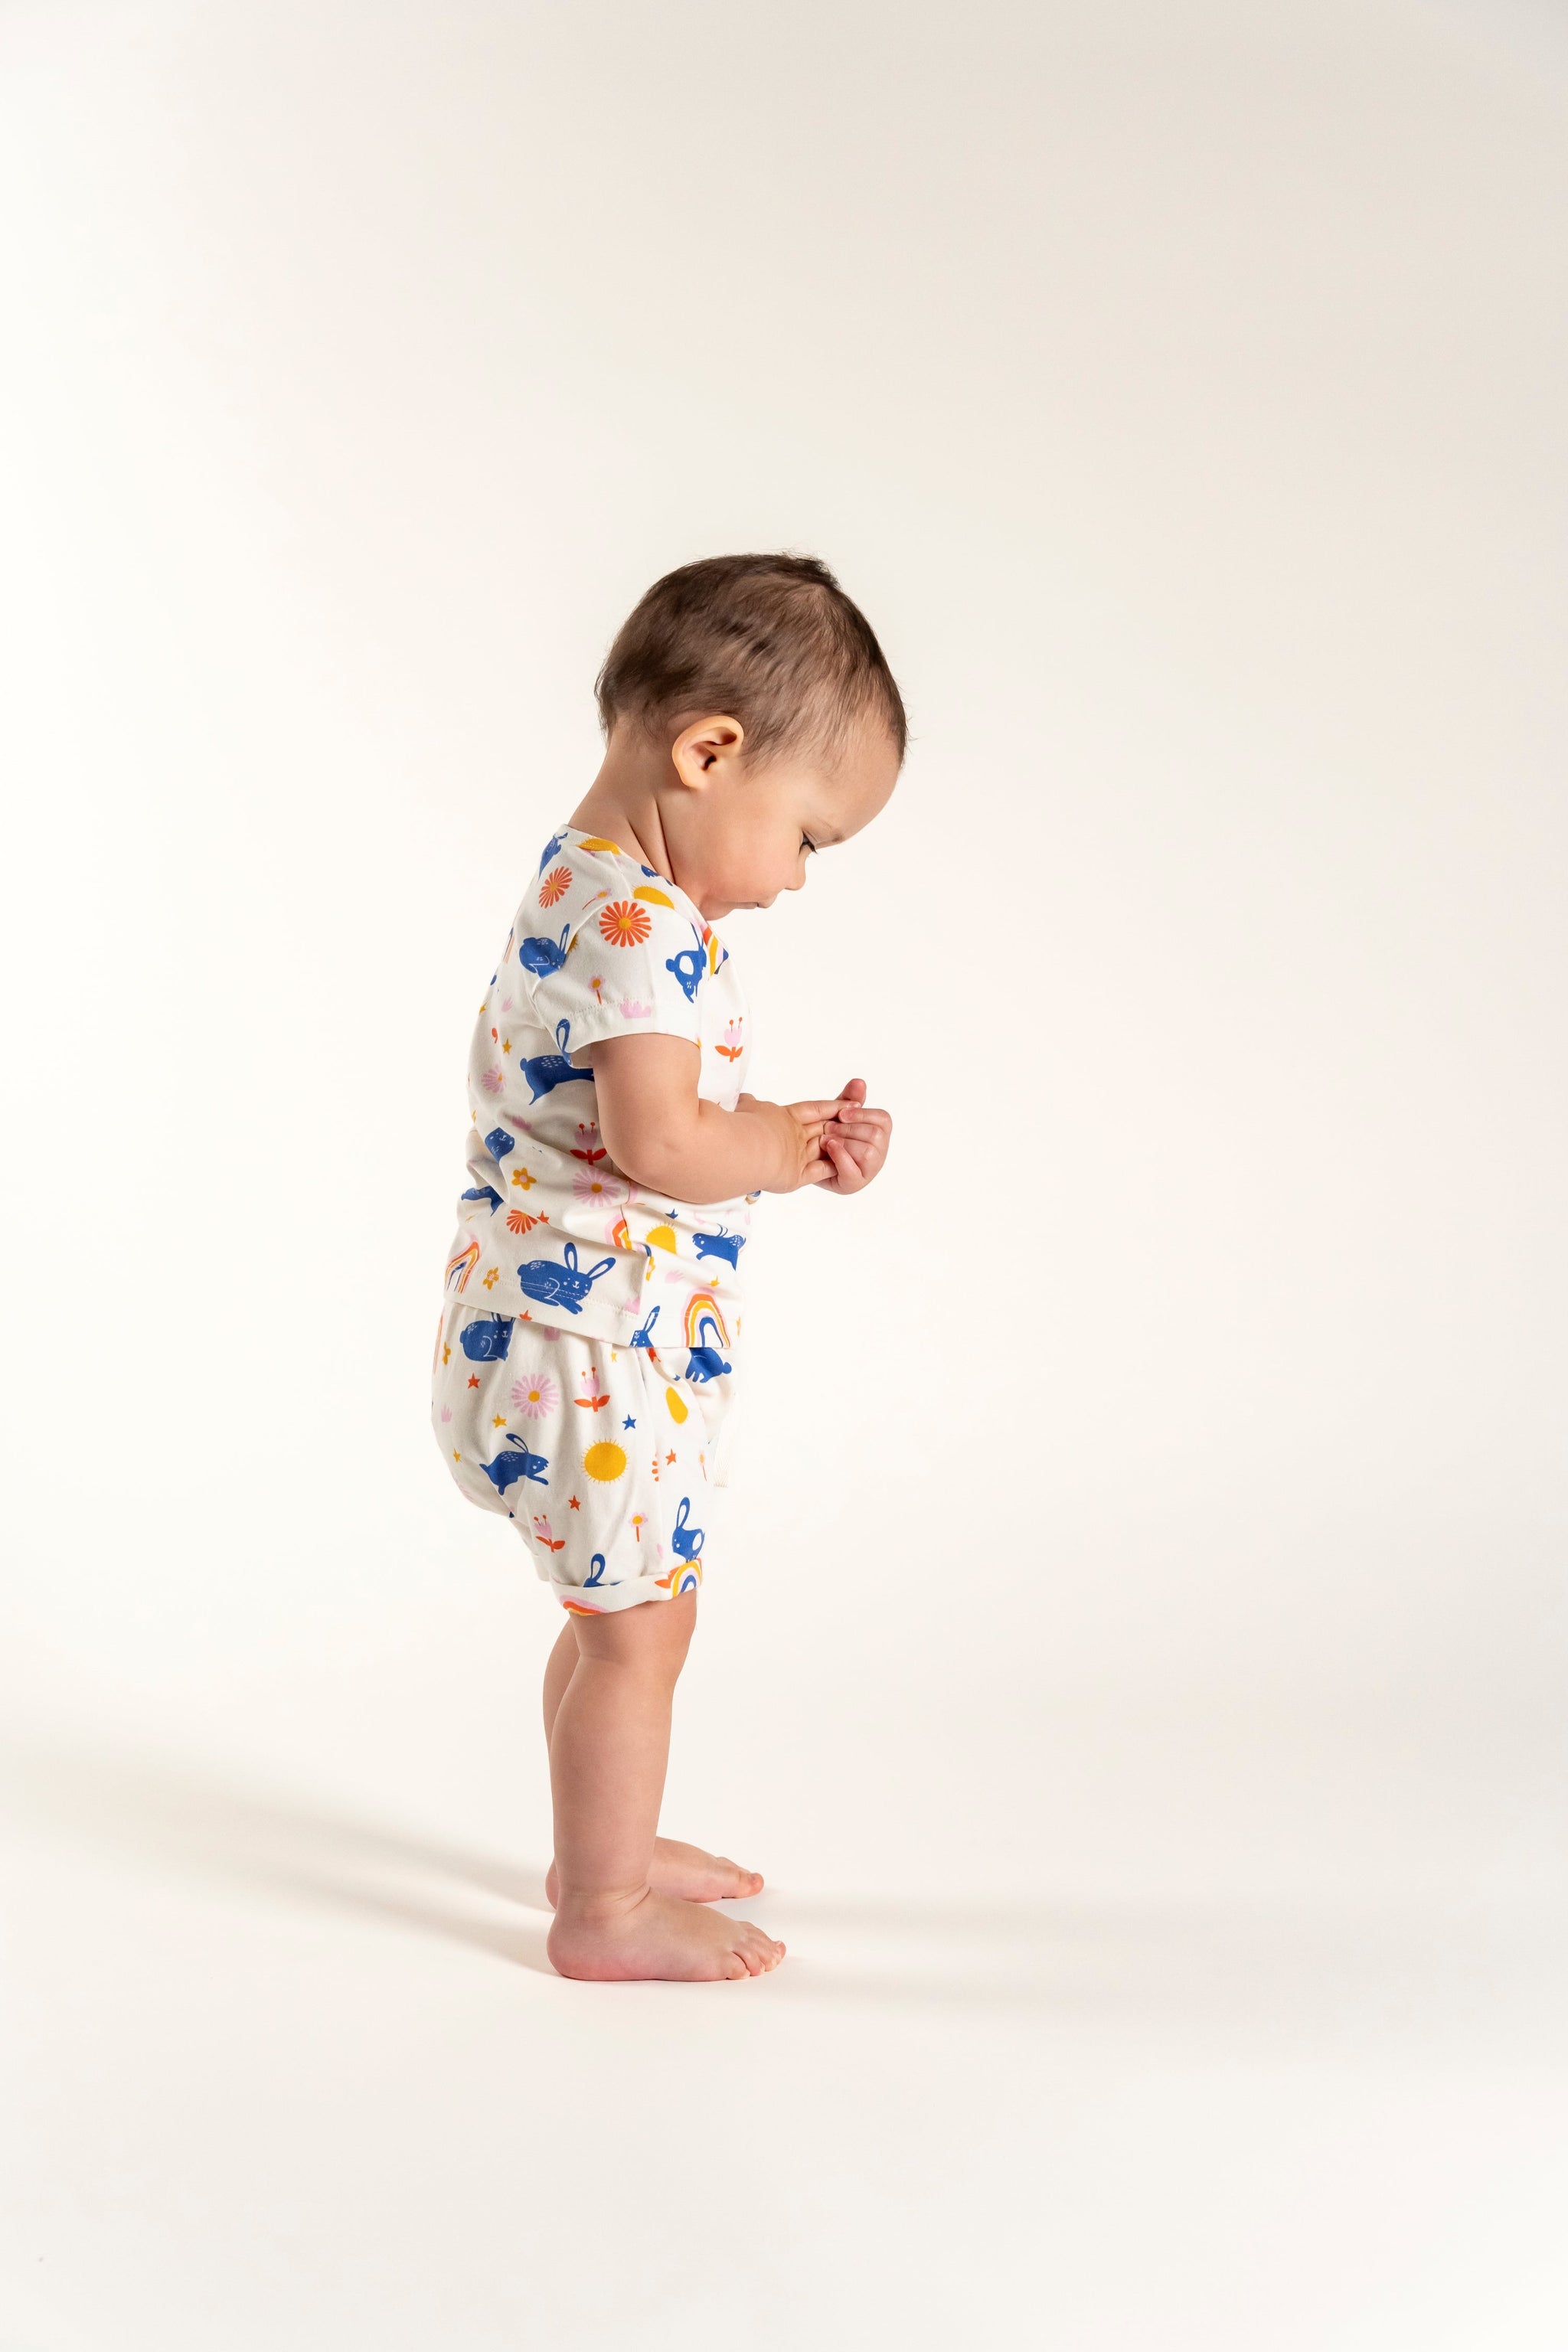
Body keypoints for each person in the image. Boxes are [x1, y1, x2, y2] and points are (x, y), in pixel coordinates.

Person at [432, 552, 903, 1980]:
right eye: (810, 836)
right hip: (579, 1356)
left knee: (625, 1617)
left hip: (562, 1340)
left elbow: (653, 1128)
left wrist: (778, 1136)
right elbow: (658, 1141)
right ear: (711, 752)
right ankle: (604, 1914)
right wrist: (775, 1143)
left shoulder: (593, 888)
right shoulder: (637, 926)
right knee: (640, 1634)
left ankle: (604, 1848)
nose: (800, 878)